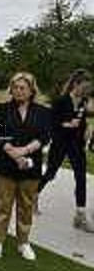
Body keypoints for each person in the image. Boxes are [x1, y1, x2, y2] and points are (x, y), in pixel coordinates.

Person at [0, 72, 51, 261]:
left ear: (32, 90)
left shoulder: (42, 112)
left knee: (26, 206)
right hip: (5, 165)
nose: (18, 91)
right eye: (15, 87)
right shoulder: (3, 109)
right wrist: (14, 154)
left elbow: (44, 137)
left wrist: (23, 151)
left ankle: (23, 242)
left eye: (22, 87)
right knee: (3, 205)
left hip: (30, 167)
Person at [38, 69, 91, 228]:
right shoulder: (60, 101)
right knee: (50, 174)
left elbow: (80, 122)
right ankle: (32, 196)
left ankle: (80, 215)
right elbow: (51, 124)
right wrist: (66, 124)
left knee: (81, 177)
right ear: (76, 84)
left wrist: (86, 128)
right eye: (84, 87)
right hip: (60, 144)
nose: (86, 90)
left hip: (76, 146)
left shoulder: (83, 101)